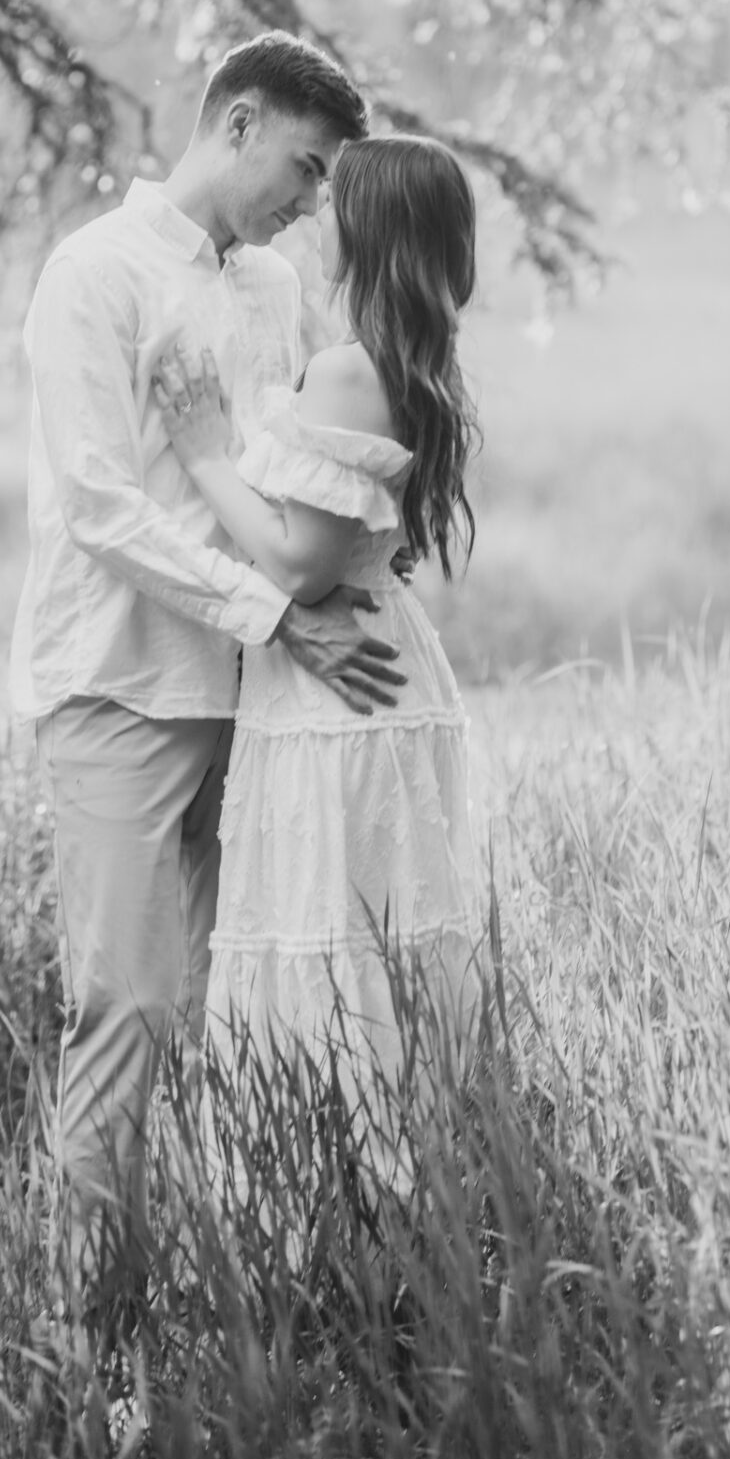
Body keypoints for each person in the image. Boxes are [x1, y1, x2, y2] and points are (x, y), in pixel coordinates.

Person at [9, 32, 406, 1281]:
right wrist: (276, 615)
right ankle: (91, 1347)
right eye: (301, 166)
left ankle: (242, 1297)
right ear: (236, 124)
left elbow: (297, 487)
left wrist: (330, 603)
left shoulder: (276, 294)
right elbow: (98, 505)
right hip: (121, 686)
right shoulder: (95, 274)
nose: (309, 203)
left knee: (250, 1012)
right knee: (126, 1006)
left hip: (258, 702)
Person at [152, 131, 485, 1111]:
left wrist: (210, 454)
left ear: (372, 229)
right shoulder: (414, 363)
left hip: (338, 693)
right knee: (371, 935)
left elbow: (301, 567)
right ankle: (402, 1183)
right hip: (387, 662)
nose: (313, 215)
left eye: (333, 201)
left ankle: (334, 1195)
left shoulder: (348, 369)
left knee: (332, 936)